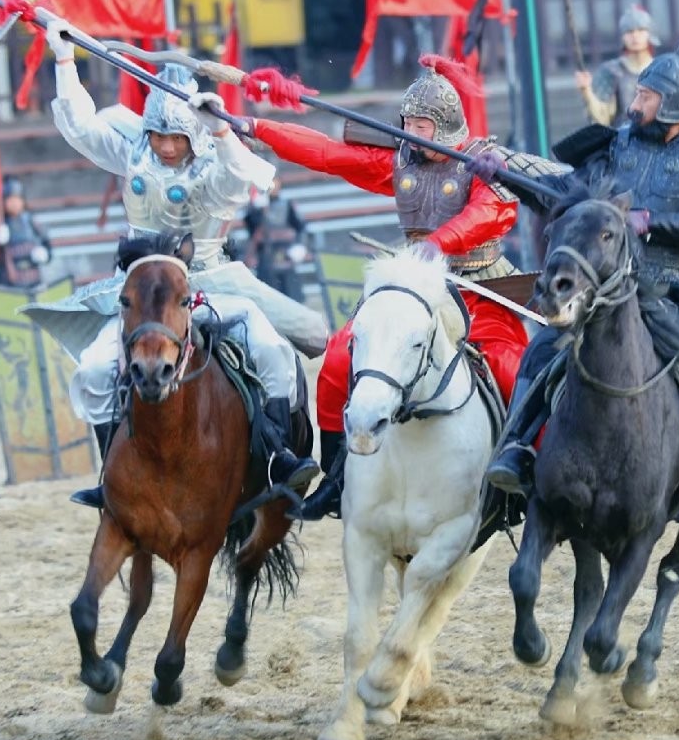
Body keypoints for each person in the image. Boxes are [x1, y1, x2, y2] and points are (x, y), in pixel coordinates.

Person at [241, 56, 564, 520]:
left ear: (446, 126)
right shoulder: (400, 164)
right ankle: (337, 475)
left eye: (422, 124)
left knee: (513, 370)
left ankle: (529, 474)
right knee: (337, 360)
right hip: (415, 285)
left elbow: (492, 213)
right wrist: (256, 128)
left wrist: (439, 242)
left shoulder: (485, 164)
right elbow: (329, 154)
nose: (411, 130)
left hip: (479, 288)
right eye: (407, 121)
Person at [25, 18, 327, 510]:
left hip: (210, 279)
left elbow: (239, 180)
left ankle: (277, 456)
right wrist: (63, 60)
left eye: (177, 138)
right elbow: (80, 127)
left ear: (194, 136)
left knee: (272, 351)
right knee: (99, 369)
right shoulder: (134, 154)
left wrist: (223, 130)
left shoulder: (212, 164)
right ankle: (111, 477)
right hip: (143, 288)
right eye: (159, 135)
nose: (166, 146)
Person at [484, 32, 679, 522]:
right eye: (638, 92)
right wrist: (502, 173)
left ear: (674, 105)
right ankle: (515, 450)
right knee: (540, 351)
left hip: (676, 292)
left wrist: (651, 221)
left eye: (646, 96)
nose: (635, 102)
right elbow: (563, 194)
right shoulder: (613, 149)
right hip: (609, 291)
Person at [576, 4, 659, 127]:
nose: (635, 36)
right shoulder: (611, 71)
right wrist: (586, 90)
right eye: (629, 31)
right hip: (623, 140)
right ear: (623, 37)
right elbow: (601, 119)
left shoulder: (661, 70)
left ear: (649, 33)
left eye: (640, 30)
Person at [0, 176, 53, 291]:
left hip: (34, 284)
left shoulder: (32, 222)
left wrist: (45, 254)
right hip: (7, 286)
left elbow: (46, 244)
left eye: (17, 199)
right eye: (10, 199)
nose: (14, 203)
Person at [243, 178, 309, 303]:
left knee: (290, 293)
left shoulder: (287, 205)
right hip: (264, 256)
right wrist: (257, 210)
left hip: (284, 253)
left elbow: (301, 228)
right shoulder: (257, 207)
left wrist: (300, 247)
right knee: (268, 296)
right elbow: (251, 228)